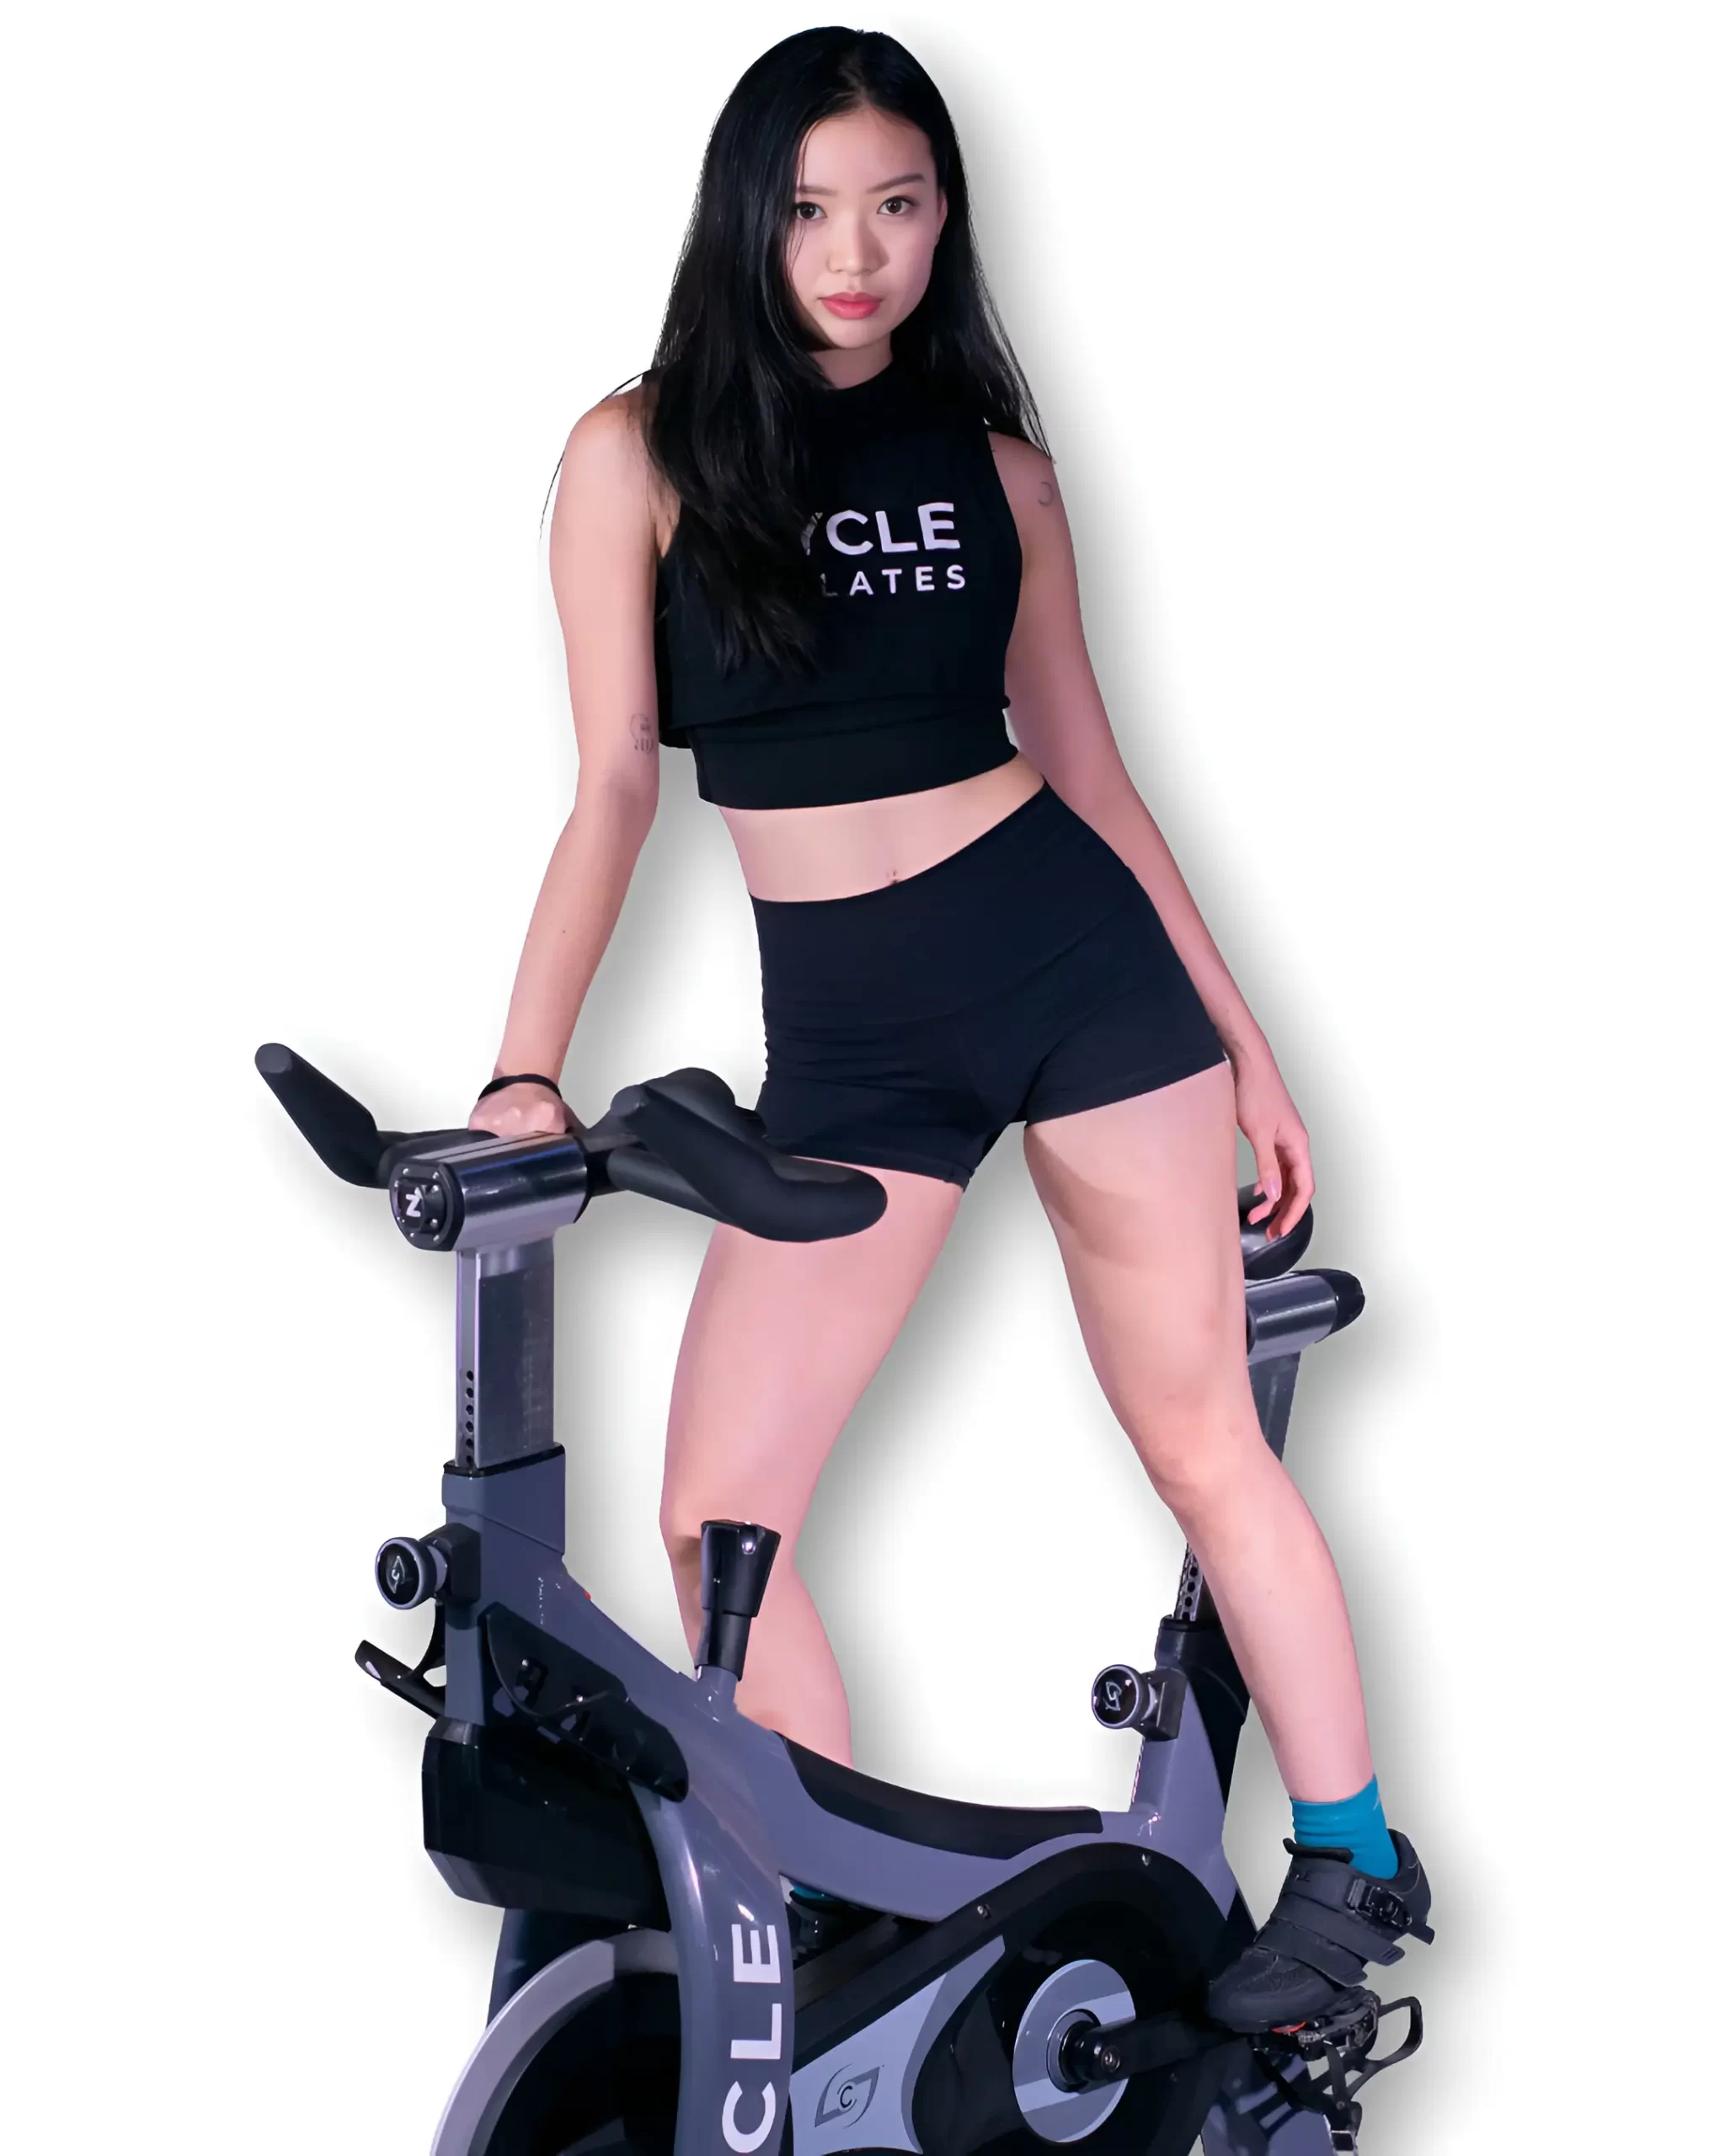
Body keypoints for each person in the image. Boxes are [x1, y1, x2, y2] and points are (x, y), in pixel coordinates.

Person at [468, 24, 1431, 2031]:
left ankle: (1351, 1857)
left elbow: (1093, 774)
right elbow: (613, 785)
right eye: (813, 210)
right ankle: (833, 1914)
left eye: (898, 207)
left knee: (1199, 1437)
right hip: (854, 1045)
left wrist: (1248, 1044)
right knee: (718, 1513)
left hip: (1076, 974)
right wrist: (522, 1067)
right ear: (747, 220)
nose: (856, 252)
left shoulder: (998, 469)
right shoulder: (635, 453)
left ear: (944, 224)